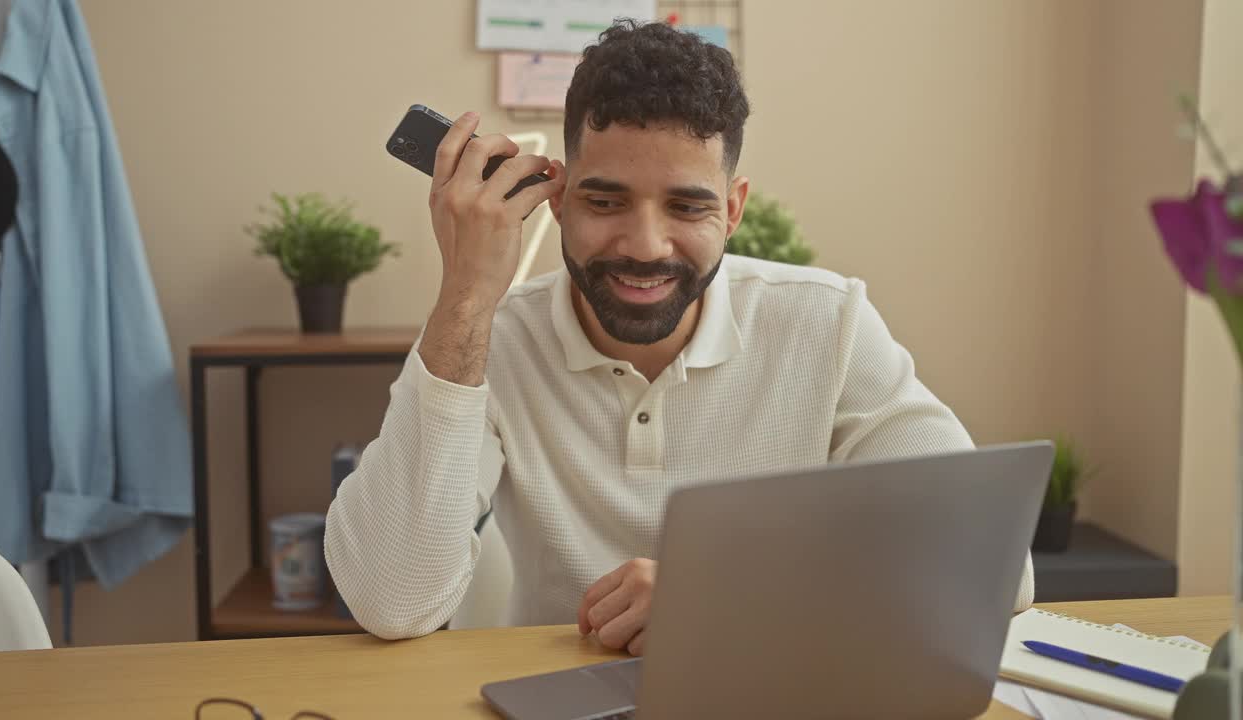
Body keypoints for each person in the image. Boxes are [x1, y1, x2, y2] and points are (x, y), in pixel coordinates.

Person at [325, 19, 1033, 656]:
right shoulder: (486, 338)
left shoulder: (828, 323)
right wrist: (466, 296)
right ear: (558, 198)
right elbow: (392, 601)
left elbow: (996, 569)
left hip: (767, 685)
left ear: (732, 209)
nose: (644, 245)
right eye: (605, 201)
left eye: (687, 206)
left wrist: (727, 596)